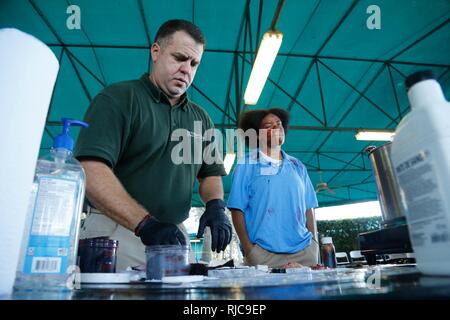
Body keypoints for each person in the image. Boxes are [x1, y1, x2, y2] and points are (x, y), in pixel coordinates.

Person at [74, 19, 232, 270]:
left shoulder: (201, 118)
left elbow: (210, 175)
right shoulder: (119, 99)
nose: (186, 69)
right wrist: (144, 223)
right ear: (156, 52)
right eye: (179, 58)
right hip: (116, 230)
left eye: (194, 64)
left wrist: (215, 205)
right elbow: (91, 169)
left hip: (174, 235)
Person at [227, 108, 319, 268]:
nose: (277, 128)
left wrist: (314, 243)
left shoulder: (298, 166)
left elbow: (309, 207)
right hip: (264, 256)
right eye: (269, 126)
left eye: (279, 124)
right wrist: (250, 250)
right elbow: (237, 210)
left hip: (304, 253)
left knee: (306, 293)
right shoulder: (247, 165)